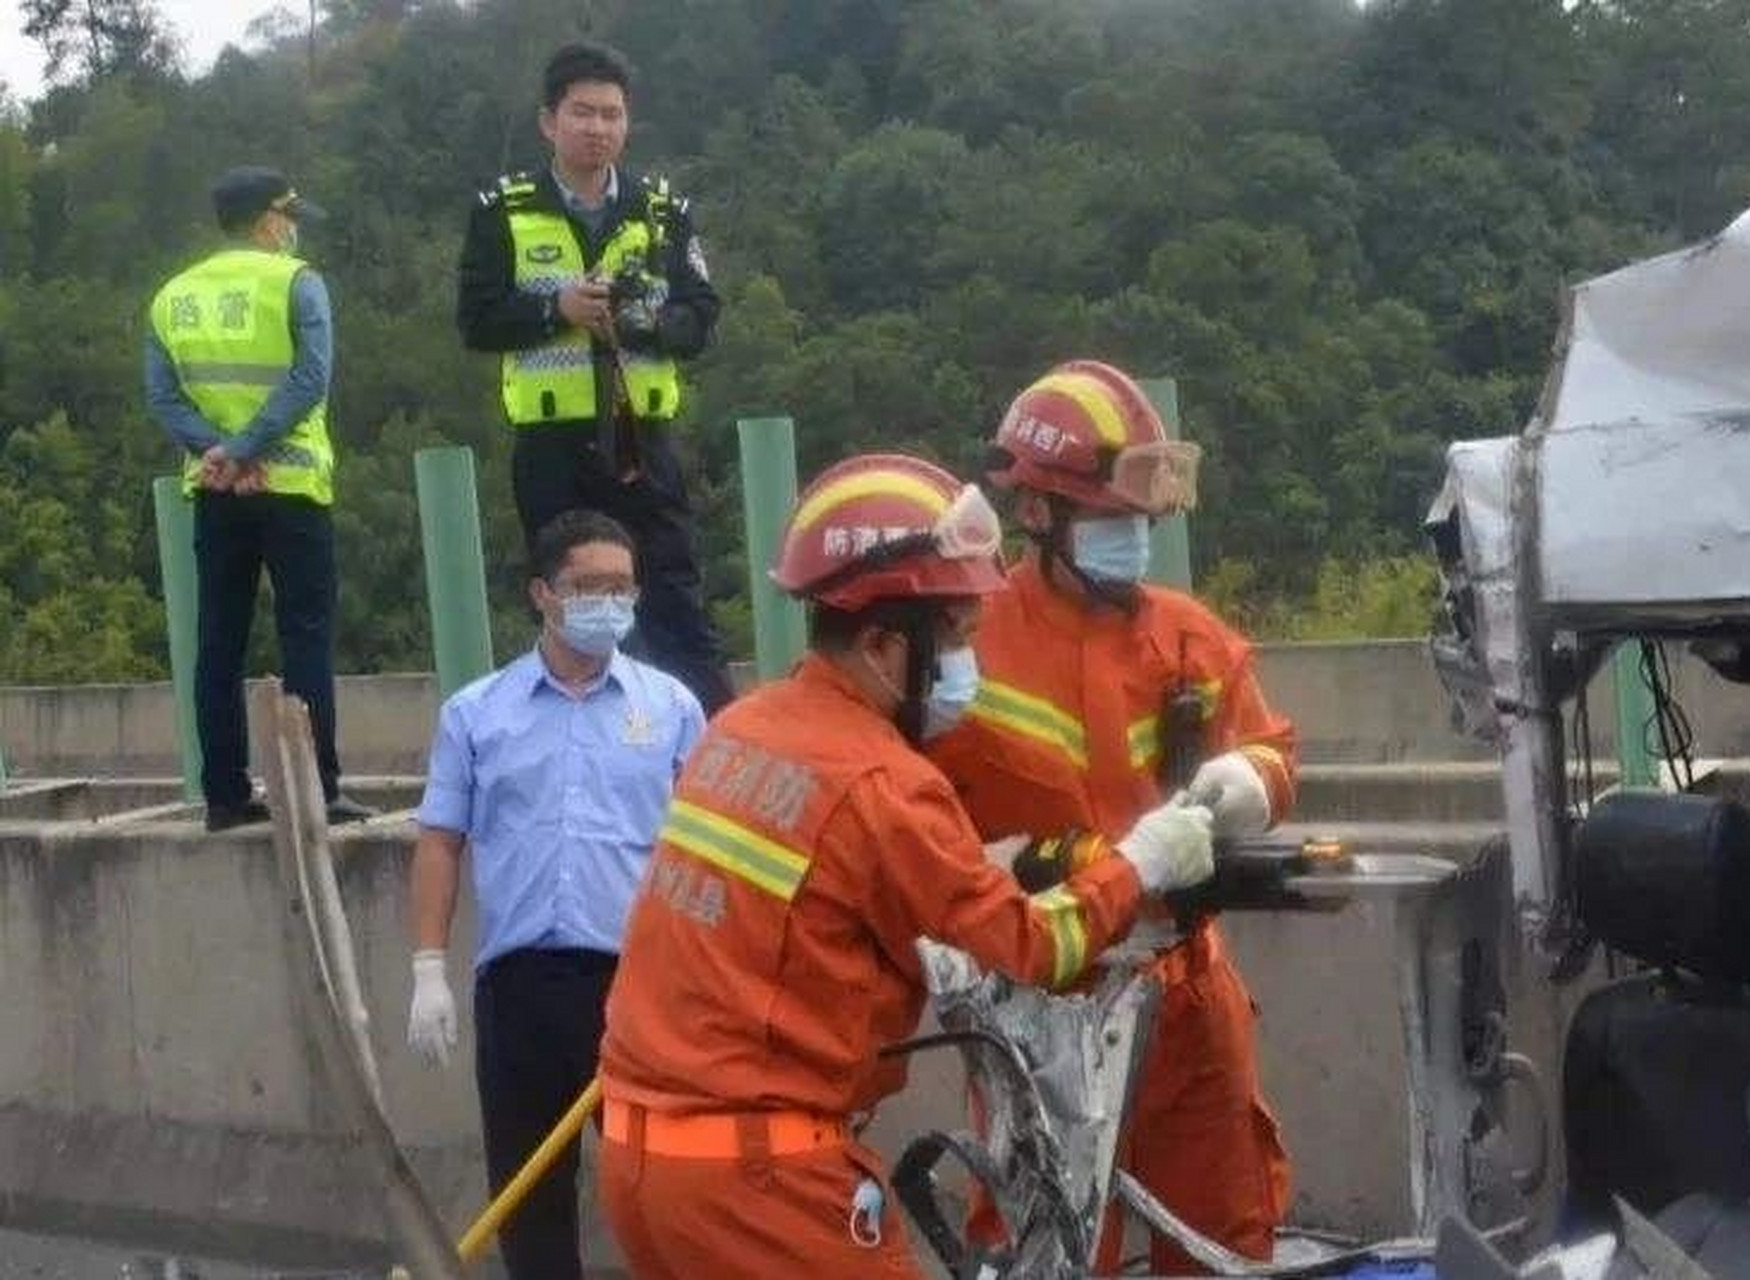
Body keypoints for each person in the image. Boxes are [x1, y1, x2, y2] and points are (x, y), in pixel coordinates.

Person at [593, 452, 1219, 1280]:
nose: (971, 661)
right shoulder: (883, 781)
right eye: (957, 635)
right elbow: (1033, 948)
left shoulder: (743, 730)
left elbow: (811, 898)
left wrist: (967, 866)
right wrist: (1141, 861)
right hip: (763, 1183)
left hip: (644, 1164)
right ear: (887, 645)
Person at [927, 360, 1297, 1272]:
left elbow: (1270, 747)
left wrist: (1249, 782)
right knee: (1046, 1240)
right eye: (1110, 521)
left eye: (1141, 523)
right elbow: (924, 829)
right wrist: (1040, 863)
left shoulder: (1186, 633)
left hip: (1187, 987)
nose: (1132, 539)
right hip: (1047, 994)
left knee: (1222, 1231)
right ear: (1040, 514)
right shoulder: (971, 644)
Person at [402, 509, 705, 1280]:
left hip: (638, 987)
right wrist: (428, 970)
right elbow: (441, 839)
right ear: (543, 593)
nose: (608, 602)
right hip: (521, 989)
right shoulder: (478, 714)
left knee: (667, 1191)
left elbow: (705, 851)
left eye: (621, 587)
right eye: (587, 586)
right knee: (530, 1201)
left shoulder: (670, 708)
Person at [454, 40, 731, 715]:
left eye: (612, 114)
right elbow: (478, 321)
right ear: (549, 121)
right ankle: (581, 738)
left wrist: (642, 322)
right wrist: (558, 310)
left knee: (671, 593)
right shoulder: (503, 211)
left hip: (643, 440)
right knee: (570, 601)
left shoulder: (663, 211)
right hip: (552, 442)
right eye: (583, 113)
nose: (598, 128)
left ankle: (714, 749)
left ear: (627, 123)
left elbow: (701, 317)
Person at [143, 165, 377, 832]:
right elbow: (309, 380)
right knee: (304, 636)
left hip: (215, 490)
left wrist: (219, 451)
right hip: (292, 485)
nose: (294, 229)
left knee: (217, 642)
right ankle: (317, 789)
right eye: (289, 217)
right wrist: (248, 448)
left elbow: (163, 398)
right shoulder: (297, 283)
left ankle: (222, 794)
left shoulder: (172, 296)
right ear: (268, 220)